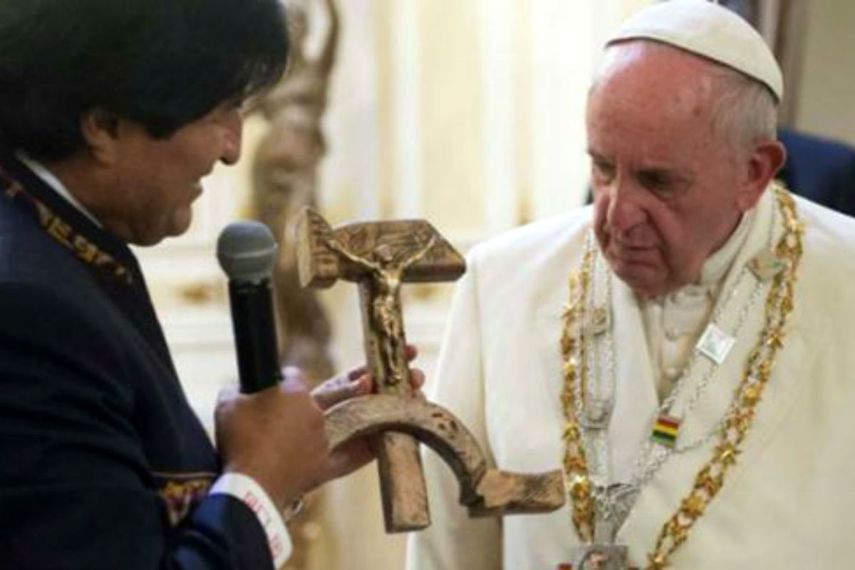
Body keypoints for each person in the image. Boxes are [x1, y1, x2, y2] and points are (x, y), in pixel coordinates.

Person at [406, 1, 855, 569]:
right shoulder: (502, 284)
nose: (615, 216)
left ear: (754, 173)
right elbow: (450, 547)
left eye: (658, 181)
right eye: (602, 167)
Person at [0, 1, 422, 568]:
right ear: (104, 125)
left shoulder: (55, 244)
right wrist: (257, 481)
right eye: (219, 112)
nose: (233, 148)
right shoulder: (27, 308)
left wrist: (287, 455)